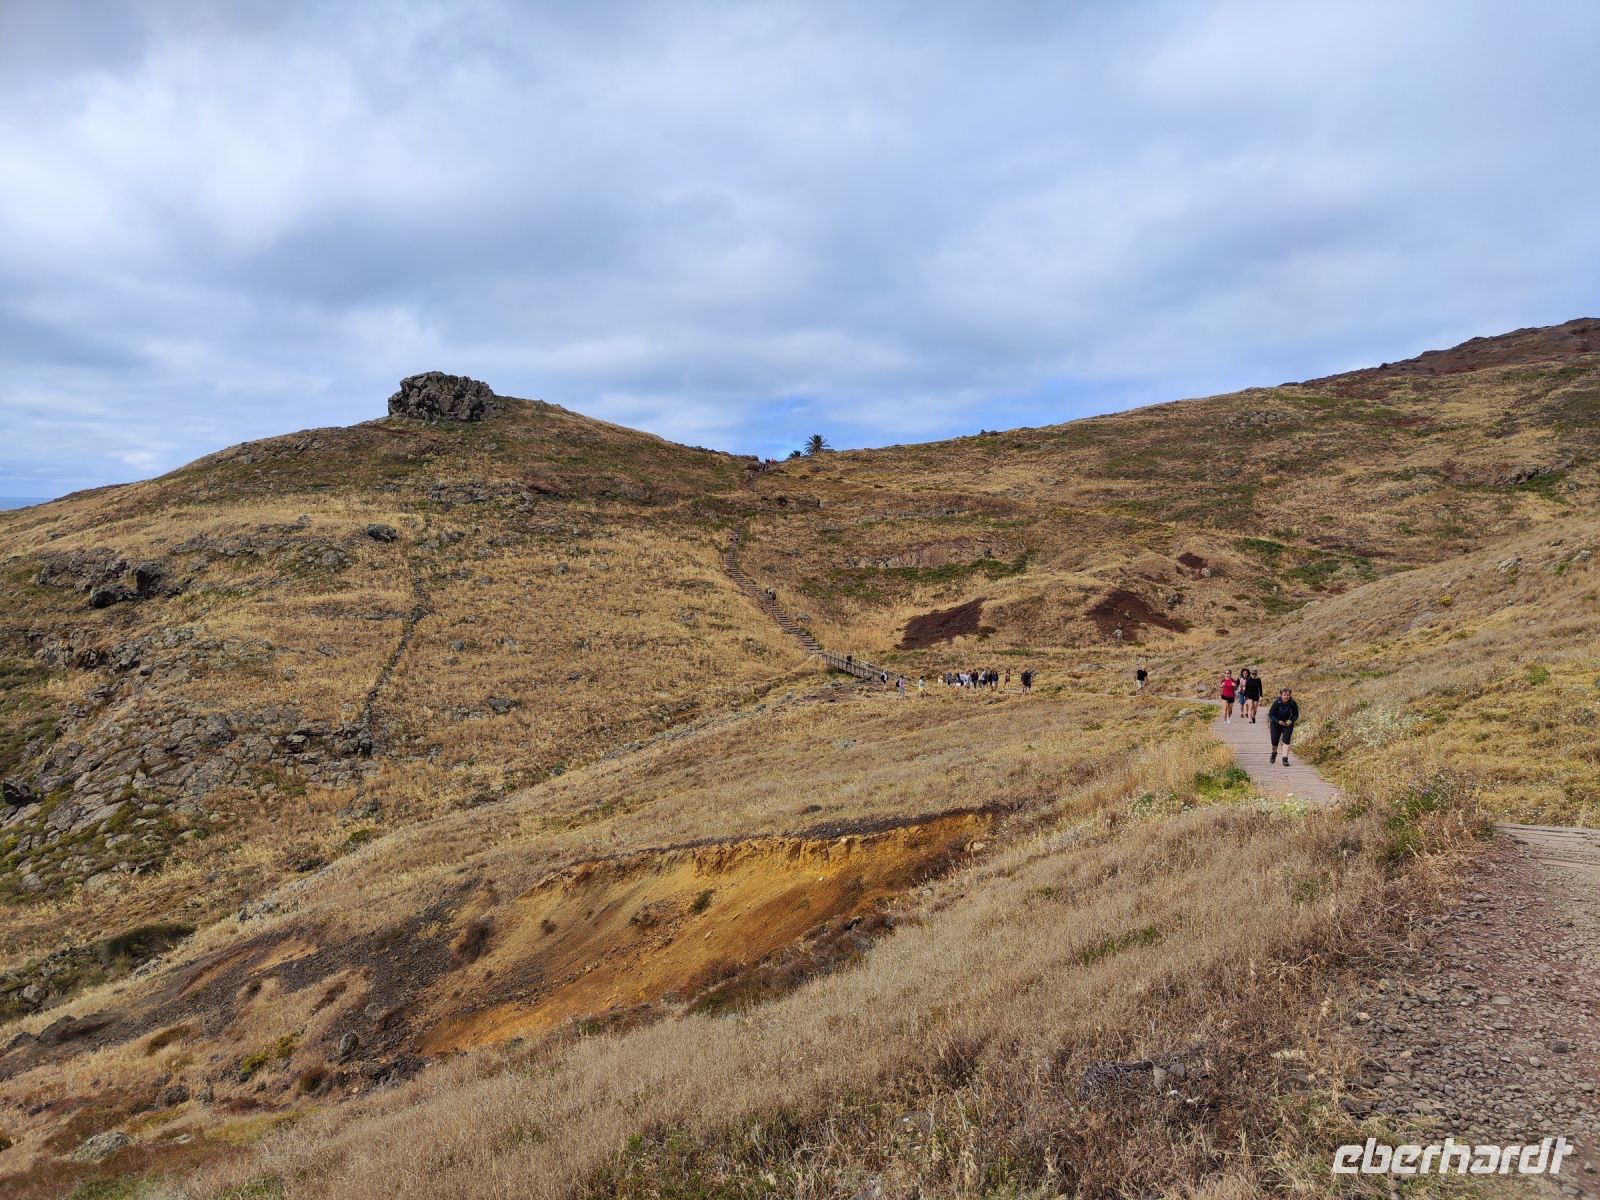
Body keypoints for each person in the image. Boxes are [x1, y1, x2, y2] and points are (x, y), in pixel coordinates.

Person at [1267, 688, 1299, 765]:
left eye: (1287, 695)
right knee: (1274, 741)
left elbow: (1296, 715)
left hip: (1288, 723)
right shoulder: (1277, 703)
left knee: (1286, 739)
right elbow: (1271, 714)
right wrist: (1278, 721)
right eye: (1284, 695)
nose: (1286, 697)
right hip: (1276, 723)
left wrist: (1291, 721)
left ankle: (1285, 759)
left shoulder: (1292, 703)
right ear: (1281, 695)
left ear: (1290, 695)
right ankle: (1274, 753)